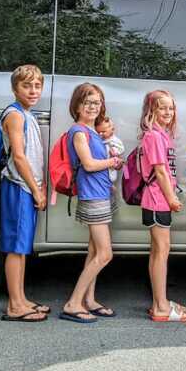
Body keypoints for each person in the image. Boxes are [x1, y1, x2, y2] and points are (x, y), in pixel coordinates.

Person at [60, 82, 123, 323]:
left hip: (101, 194)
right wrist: (113, 162)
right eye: (87, 102)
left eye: (97, 103)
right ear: (77, 105)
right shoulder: (79, 132)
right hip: (93, 197)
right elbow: (88, 164)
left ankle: (89, 300)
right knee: (105, 254)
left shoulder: (92, 130)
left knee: (95, 250)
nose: (93, 107)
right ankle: (73, 302)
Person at [0, 65, 49, 323]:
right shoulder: (15, 115)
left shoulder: (27, 114)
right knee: (15, 248)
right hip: (19, 187)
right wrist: (35, 189)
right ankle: (14, 305)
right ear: (14, 88)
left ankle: (21, 299)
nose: (32, 91)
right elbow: (18, 156)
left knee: (22, 247)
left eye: (37, 86)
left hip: (26, 187)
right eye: (26, 86)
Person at [138, 90, 186, 323]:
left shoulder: (162, 135)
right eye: (162, 108)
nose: (168, 112)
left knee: (158, 251)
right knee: (161, 251)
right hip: (158, 200)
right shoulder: (154, 137)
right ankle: (160, 306)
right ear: (152, 110)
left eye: (171, 108)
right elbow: (159, 171)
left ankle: (160, 301)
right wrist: (171, 199)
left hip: (158, 200)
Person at [95, 115, 125, 183]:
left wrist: (116, 152)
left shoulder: (115, 141)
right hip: (100, 170)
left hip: (110, 169)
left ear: (112, 130)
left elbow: (121, 149)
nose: (100, 134)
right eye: (98, 132)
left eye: (103, 131)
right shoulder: (98, 140)